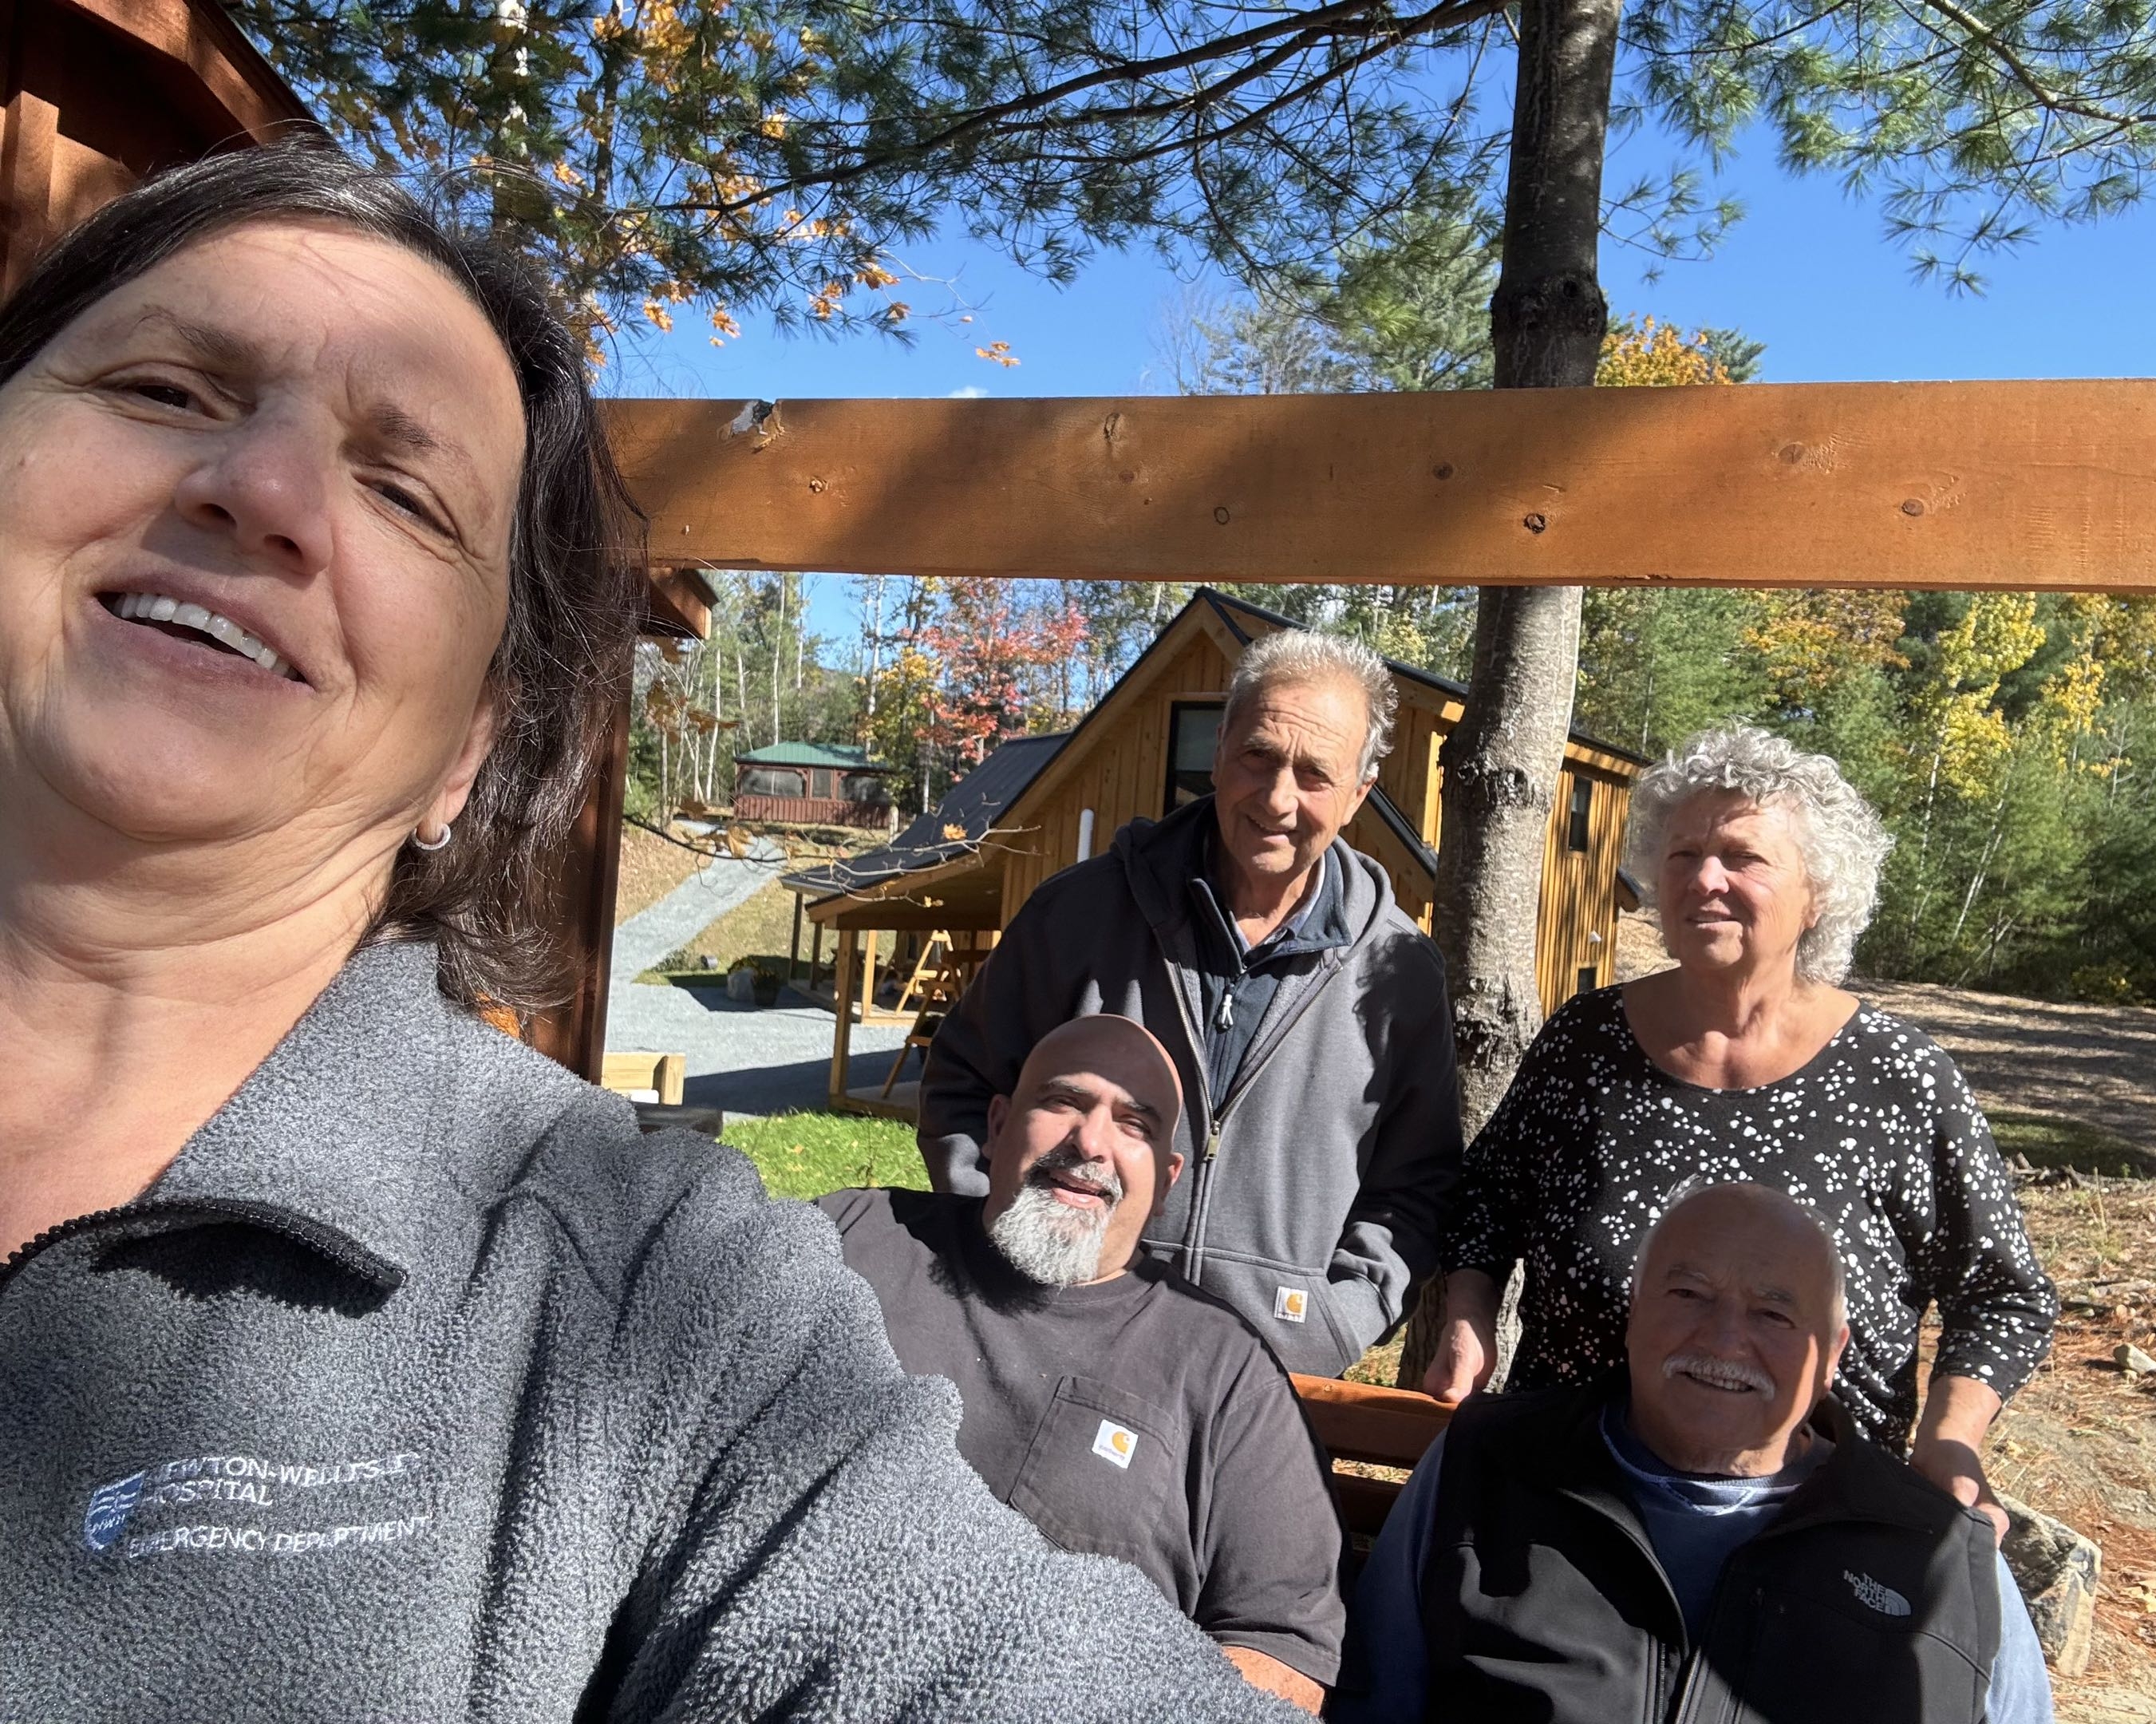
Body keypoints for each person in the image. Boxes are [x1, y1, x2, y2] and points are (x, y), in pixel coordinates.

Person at [0, 144, 1300, 1722]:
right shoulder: (1059, 939)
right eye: (166, 388)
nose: (259, 489)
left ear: (472, 746)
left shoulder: (639, 1287)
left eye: (405, 492)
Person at [1421, 726, 2057, 1536]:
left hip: (1816, 1528)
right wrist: (1470, 1315)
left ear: (1817, 892)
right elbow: (1485, 1200)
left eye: (1744, 858)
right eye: (1683, 856)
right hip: (1570, 1511)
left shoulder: (1897, 1075)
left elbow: (2004, 1293)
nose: (1704, 881)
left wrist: (1950, 1437)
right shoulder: (1587, 1044)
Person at [918, 628, 1463, 1376]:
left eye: (1313, 775)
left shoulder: (1399, 975)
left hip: (1264, 1378)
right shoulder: (1079, 915)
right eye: (1258, 756)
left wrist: (1335, 1321)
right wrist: (1007, 1247)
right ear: (1219, 749)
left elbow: (1417, 1185)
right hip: (1049, 1342)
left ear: (1360, 794)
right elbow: (962, 1085)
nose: (1277, 798)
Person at [1342, 1181, 2055, 1724]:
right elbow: (1373, 1704)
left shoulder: (1940, 1555)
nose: (1722, 1341)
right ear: (1633, 1315)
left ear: (1832, 1354)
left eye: (1774, 1313)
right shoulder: (1490, 1464)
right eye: (1688, 1294)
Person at [822, 1014, 1347, 1713]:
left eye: (1134, 1124)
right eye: (1064, 1102)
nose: (1090, 1142)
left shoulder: (1227, 1373)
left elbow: (1281, 1649)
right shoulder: (854, 1239)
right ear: (999, 1123)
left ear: (1165, 1180)